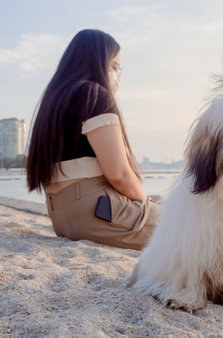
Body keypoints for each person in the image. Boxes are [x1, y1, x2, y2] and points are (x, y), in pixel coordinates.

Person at [26, 29, 160, 250]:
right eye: (115, 66)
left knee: (165, 203)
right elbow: (119, 174)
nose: (117, 75)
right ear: (97, 63)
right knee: (189, 227)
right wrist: (143, 203)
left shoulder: (55, 100)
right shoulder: (95, 95)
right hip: (94, 212)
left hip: (62, 217)